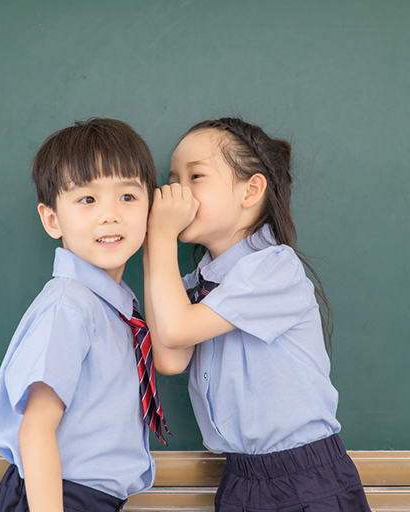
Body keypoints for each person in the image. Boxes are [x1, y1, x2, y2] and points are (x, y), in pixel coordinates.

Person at [144, 117, 371, 512]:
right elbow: (168, 357)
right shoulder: (196, 282)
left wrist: (161, 237)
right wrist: (153, 247)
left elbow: (178, 329)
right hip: (239, 479)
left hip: (304, 479)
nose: (176, 190)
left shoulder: (274, 267)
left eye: (195, 176)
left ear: (251, 190)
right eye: (172, 178)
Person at [0, 118, 165, 512]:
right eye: (87, 200)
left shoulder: (115, 307)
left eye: (128, 197)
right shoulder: (71, 304)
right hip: (55, 497)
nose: (110, 215)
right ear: (52, 219)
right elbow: (37, 428)